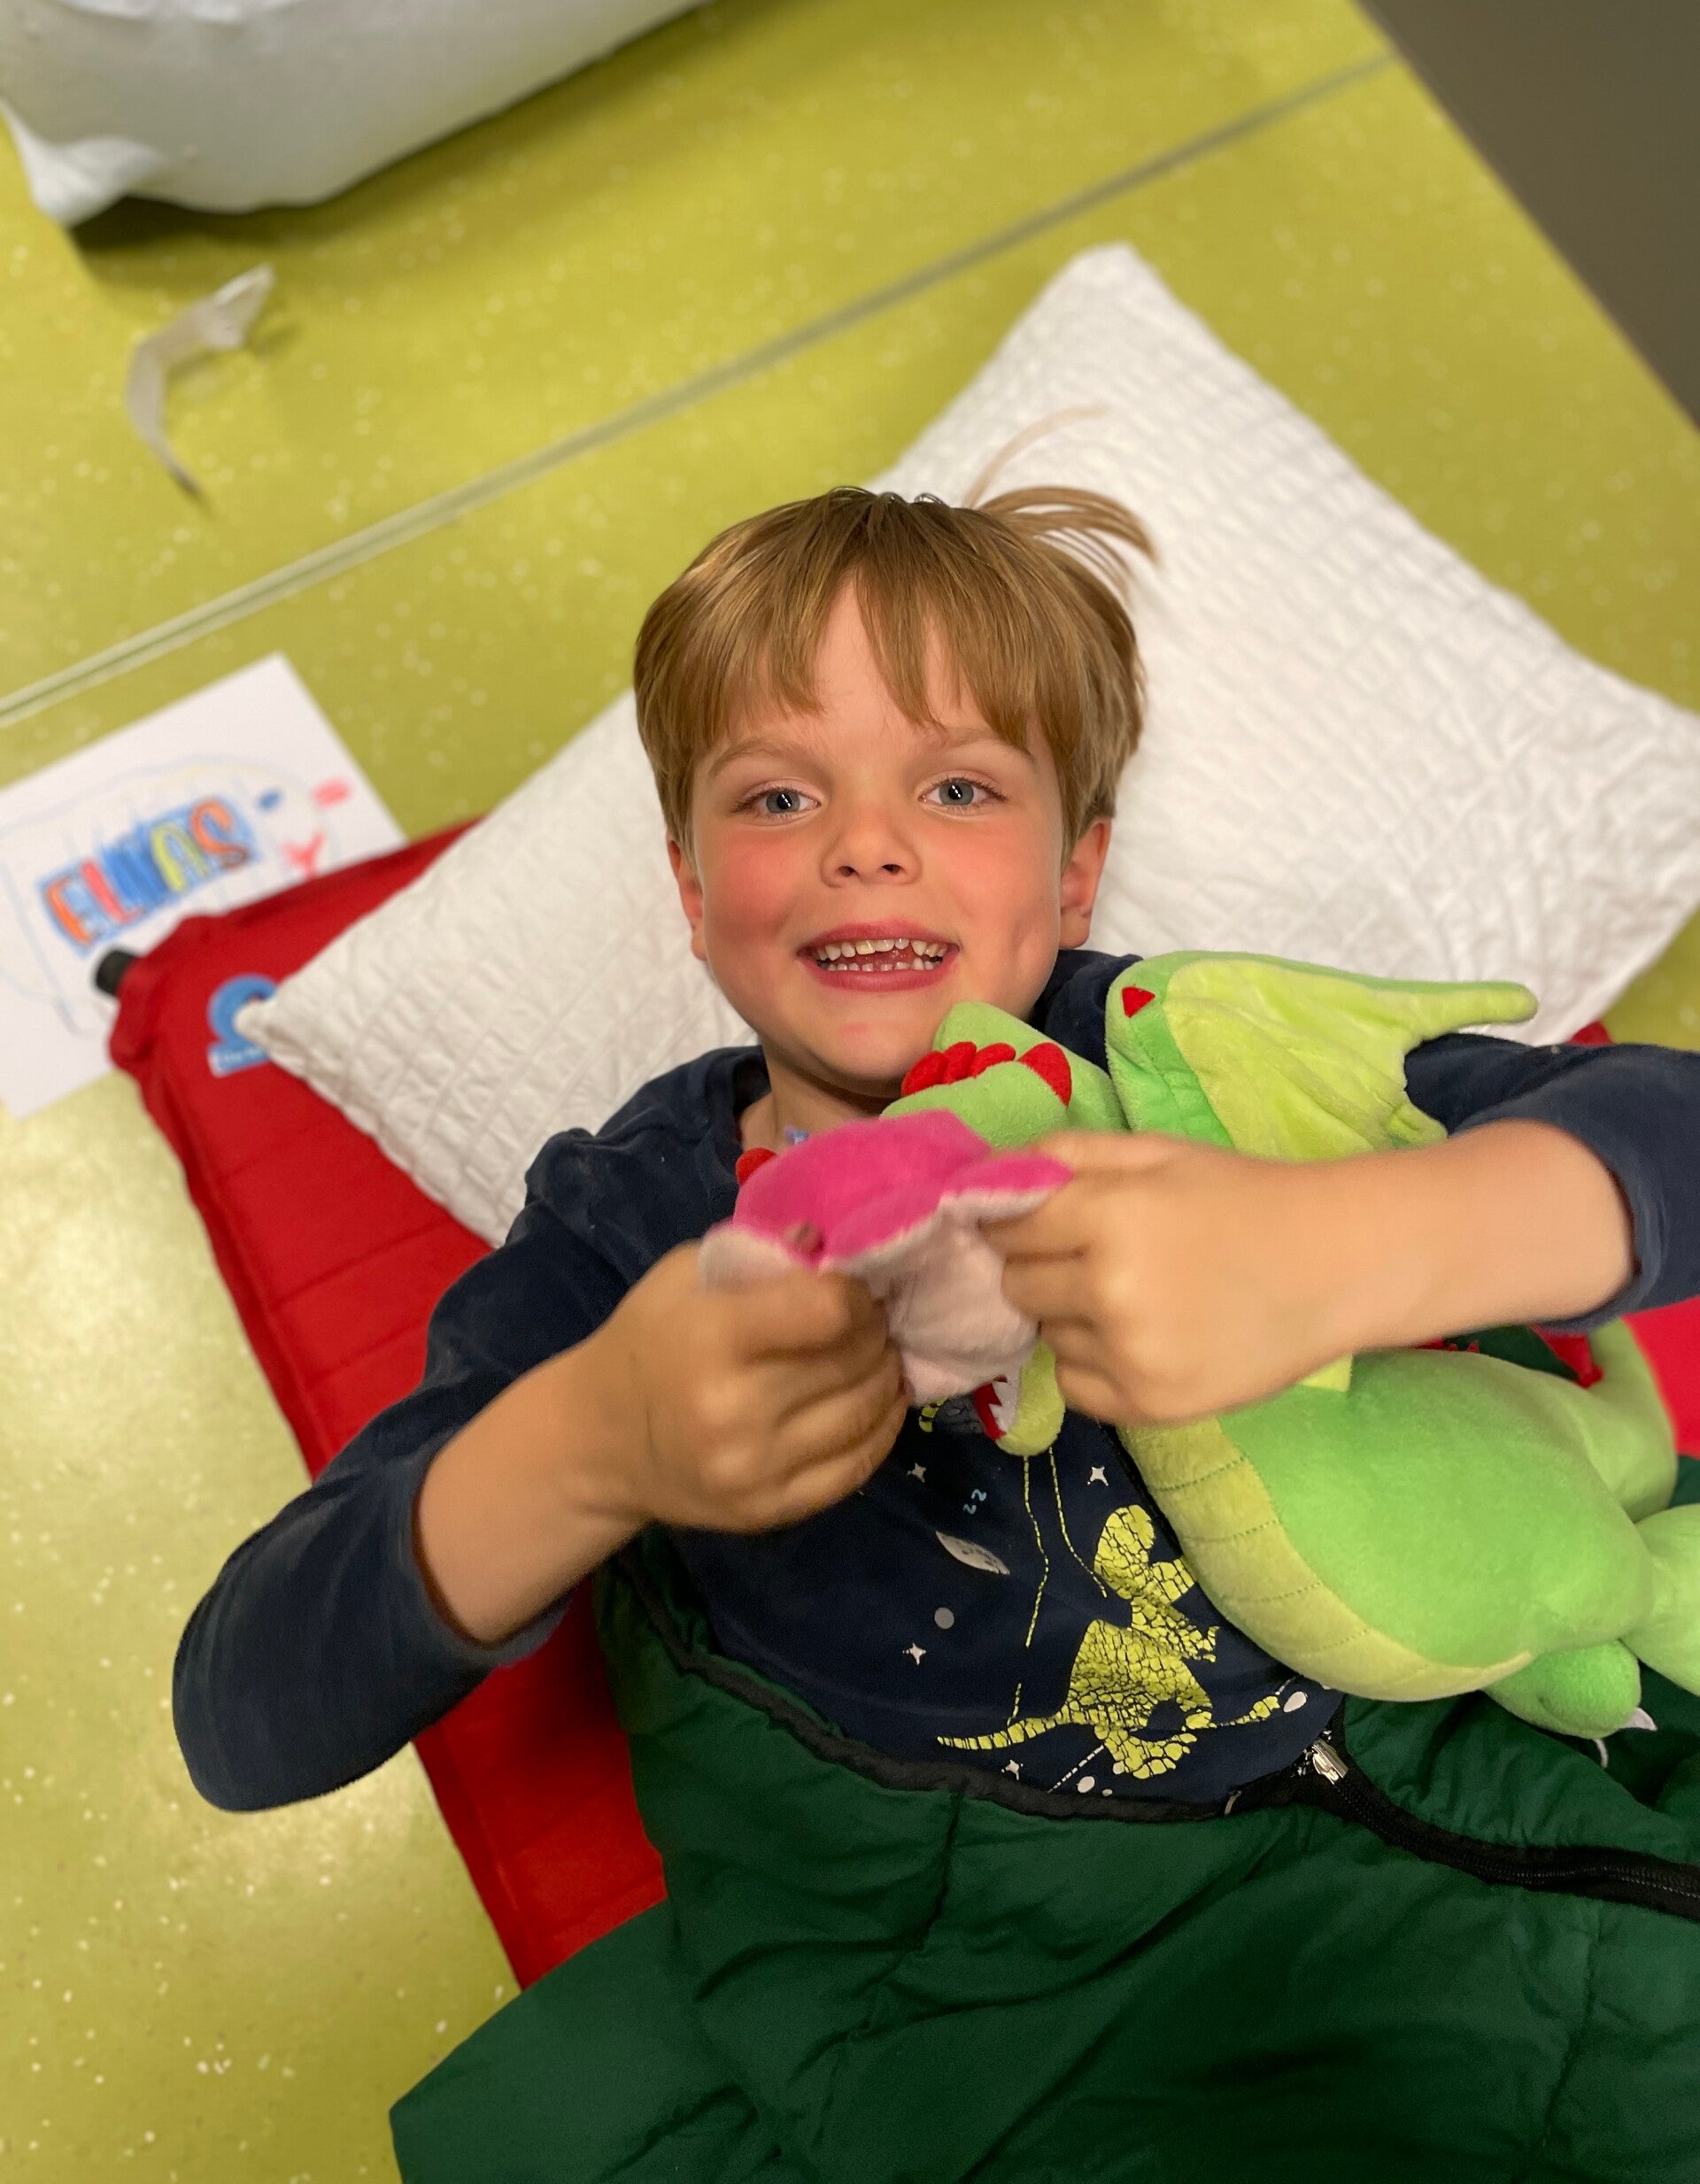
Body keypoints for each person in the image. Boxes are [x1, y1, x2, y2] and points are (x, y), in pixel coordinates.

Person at [175, 484, 1700, 2180]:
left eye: (959, 786)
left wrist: (1350, 1247)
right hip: (1025, 1973)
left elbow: (1669, 1133)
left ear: (1077, 869)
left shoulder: (1200, 1052)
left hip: (1501, 1730)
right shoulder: (625, 1232)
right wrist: (593, 1442)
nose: (866, 842)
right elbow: (243, 1711)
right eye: (779, 796)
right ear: (690, 887)